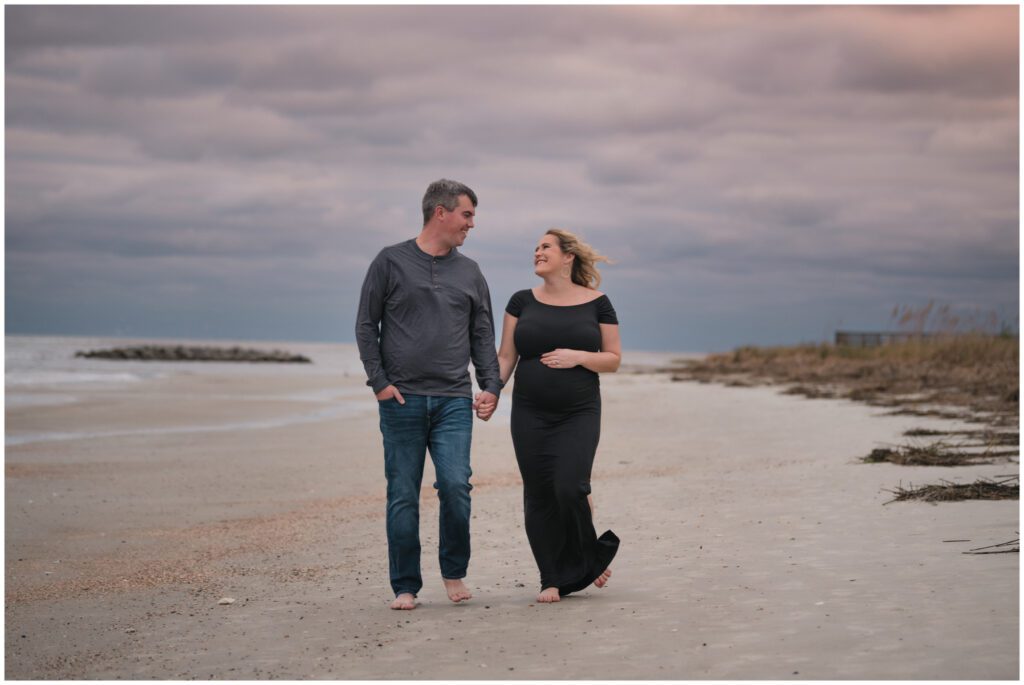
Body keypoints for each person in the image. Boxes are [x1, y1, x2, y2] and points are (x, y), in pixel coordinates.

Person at [355, 179, 502, 611]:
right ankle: (405, 585)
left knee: (456, 486)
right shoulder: (390, 261)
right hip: (402, 400)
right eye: (467, 215)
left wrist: (490, 385)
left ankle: (453, 571)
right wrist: (379, 383)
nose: (471, 224)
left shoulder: (470, 271)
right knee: (402, 493)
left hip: (454, 399)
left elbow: (482, 332)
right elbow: (367, 325)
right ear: (441, 212)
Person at [495, 228, 621, 603]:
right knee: (538, 494)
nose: (537, 252)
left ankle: (587, 555)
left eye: (545, 247)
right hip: (529, 411)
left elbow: (613, 358)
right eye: (535, 247)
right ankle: (551, 577)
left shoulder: (598, 303)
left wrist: (579, 357)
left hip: (578, 410)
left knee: (570, 486)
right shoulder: (520, 301)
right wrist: (490, 391)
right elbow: (506, 357)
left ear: (568, 257)